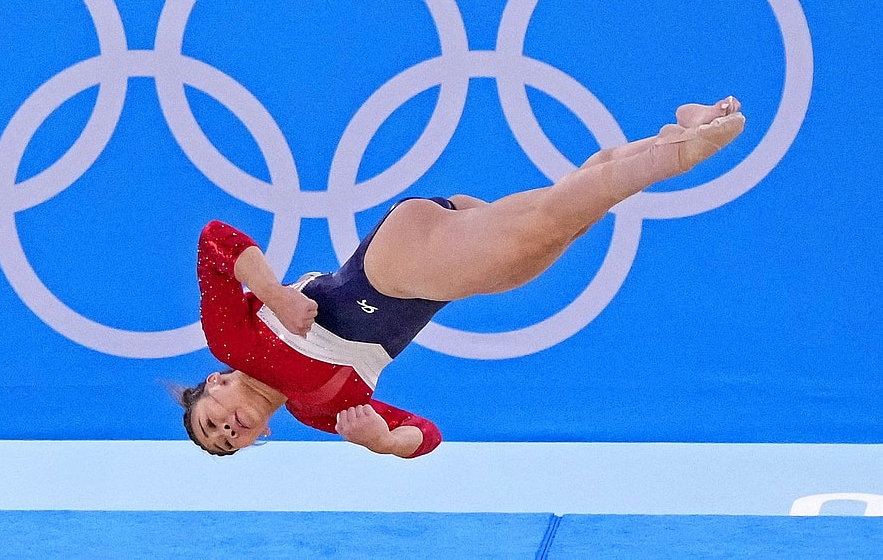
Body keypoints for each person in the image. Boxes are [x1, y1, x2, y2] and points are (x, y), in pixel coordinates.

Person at [173, 98, 745, 458]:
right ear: (260, 437)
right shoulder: (320, 413)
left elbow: (216, 240)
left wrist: (273, 294)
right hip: (438, 279)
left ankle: (684, 152)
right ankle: (673, 132)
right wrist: (385, 443)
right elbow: (425, 433)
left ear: (215, 383)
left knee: (550, 220)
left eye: (211, 422)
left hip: (392, 264)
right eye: (230, 440)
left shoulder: (232, 340)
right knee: (562, 224)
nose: (227, 429)